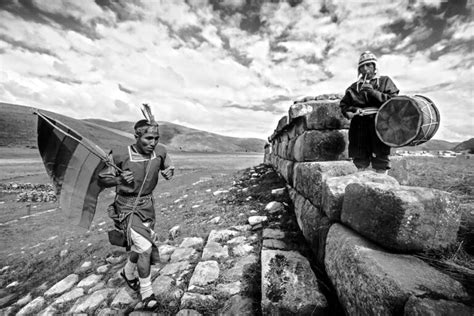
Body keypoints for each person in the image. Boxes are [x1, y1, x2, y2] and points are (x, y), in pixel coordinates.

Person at [98, 111, 174, 310]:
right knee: (146, 248)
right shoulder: (120, 155)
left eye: (156, 138)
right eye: (149, 138)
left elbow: (168, 165)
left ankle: (128, 272)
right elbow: (101, 179)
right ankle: (147, 292)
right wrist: (118, 180)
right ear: (136, 136)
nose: (153, 142)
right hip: (126, 208)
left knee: (138, 247)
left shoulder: (161, 151)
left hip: (148, 207)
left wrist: (169, 171)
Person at [340, 51, 399, 173]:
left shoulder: (385, 81)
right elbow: (344, 105)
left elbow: (394, 101)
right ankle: (360, 184)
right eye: (362, 66)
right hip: (359, 125)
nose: (365, 69)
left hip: (380, 123)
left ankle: (382, 184)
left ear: (375, 66)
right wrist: (352, 111)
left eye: (369, 65)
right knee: (360, 159)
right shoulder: (353, 87)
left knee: (381, 158)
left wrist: (373, 93)